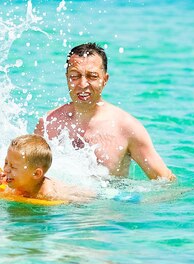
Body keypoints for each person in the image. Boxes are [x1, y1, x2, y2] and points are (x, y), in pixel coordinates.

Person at [34, 43, 176, 181]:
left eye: (92, 76)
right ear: (67, 78)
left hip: (108, 204)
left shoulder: (126, 128)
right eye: (75, 76)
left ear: (105, 79)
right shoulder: (48, 124)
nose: (83, 84)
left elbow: (166, 182)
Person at [0, 134, 93, 202]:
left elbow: (84, 200)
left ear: (36, 174)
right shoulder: (9, 178)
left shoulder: (48, 194)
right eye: (6, 162)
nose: (6, 169)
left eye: (13, 166)